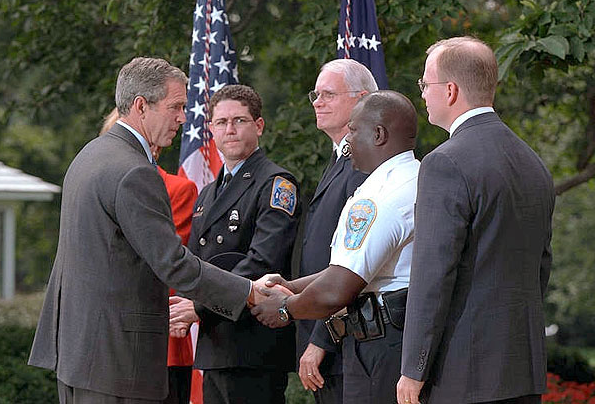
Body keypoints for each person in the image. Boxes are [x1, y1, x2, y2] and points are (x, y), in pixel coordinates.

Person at [28, 57, 264, 404]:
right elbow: (173, 264)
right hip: (117, 363)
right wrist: (248, 292)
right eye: (176, 107)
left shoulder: (91, 154)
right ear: (141, 106)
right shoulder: (134, 172)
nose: (184, 118)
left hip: (81, 355)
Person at [396, 36, 555, 404]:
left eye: (425, 84)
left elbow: (433, 275)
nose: (422, 94)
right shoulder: (533, 162)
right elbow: (540, 267)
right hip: (522, 370)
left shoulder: (444, 162)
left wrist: (412, 371)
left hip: (462, 374)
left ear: (450, 90)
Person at [251, 90, 421, 404]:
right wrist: (291, 286)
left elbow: (337, 290)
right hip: (396, 340)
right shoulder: (413, 177)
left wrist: (287, 309)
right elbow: (348, 270)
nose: (347, 141)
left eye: (353, 131)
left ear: (379, 134)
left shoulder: (381, 195)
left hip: (380, 347)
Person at [168, 84, 300, 404]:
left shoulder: (276, 184)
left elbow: (262, 262)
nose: (229, 129)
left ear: (259, 126)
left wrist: (197, 308)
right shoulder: (208, 194)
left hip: (254, 348)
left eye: (239, 121)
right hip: (217, 346)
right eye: (221, 122)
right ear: (211, 128)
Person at [100, 108, 199, 404]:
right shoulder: (98, 185)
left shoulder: (177, 189)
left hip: (161, 334)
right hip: (110, 336)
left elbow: (168, 260)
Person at [297, 59, 375, 403]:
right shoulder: (340, 159)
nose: (317, 101)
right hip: (334, 343)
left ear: (360, 100)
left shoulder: (364, 162)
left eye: (328, 94)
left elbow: (355, 265)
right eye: (316, 94)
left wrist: (320, 339)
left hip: (348, 345)